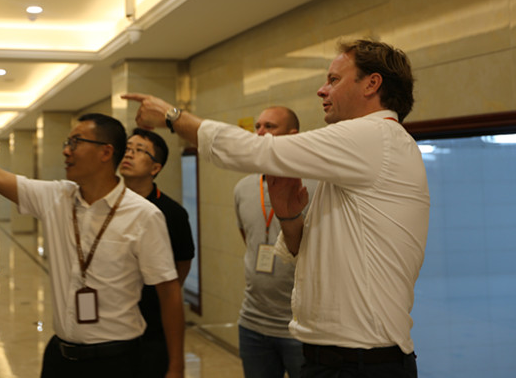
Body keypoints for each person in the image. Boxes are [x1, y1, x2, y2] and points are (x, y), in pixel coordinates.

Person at [123, 39, 429, 378]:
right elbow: (307, 254)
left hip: (363, 363)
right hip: (333, 358)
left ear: (372, 84)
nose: (322, 90)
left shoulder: (375, 136)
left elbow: (257, 151)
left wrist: (172, 116)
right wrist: (289, 216)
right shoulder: (361, 150)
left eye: (334, 80)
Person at [0, 106, 185, 378]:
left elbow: (169, 294)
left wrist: (176, 368)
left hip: (118, 361)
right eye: (67, 142)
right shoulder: (56, 197)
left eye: (76, 142)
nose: (66, 151)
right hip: (60, 358)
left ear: (106, 152)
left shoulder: (144, 215)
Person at [234, 107, 314, 378]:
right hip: (252, 322)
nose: (260, 133)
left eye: (270, 127)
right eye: (257, 126)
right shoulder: (243, 188)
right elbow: (249, 241)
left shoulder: (315, 186)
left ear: (292, 135)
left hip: (301, 326)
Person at [119, 128, 195, 378]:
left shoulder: (172, 213)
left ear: (155, 168)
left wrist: (161, 294)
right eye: (127, 148)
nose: (129, 154)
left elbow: (183, 263)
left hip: (152, 324)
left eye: (139, 151)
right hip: (113, 323)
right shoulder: (108, 204)